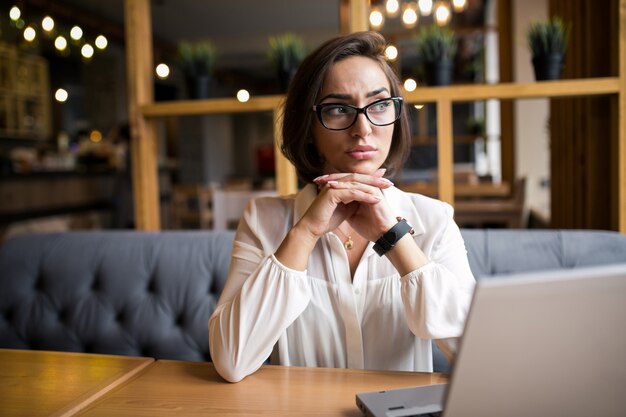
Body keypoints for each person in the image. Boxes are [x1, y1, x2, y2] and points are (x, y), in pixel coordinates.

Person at [208, 31, 475, 383]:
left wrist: (395, 237)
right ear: (308, 129)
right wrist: (305, 233)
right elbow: (231, 360)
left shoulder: (434, 220)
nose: (362, 128)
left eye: (379, 105)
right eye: (338, 109)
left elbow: (476, 355)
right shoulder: (264, 220)